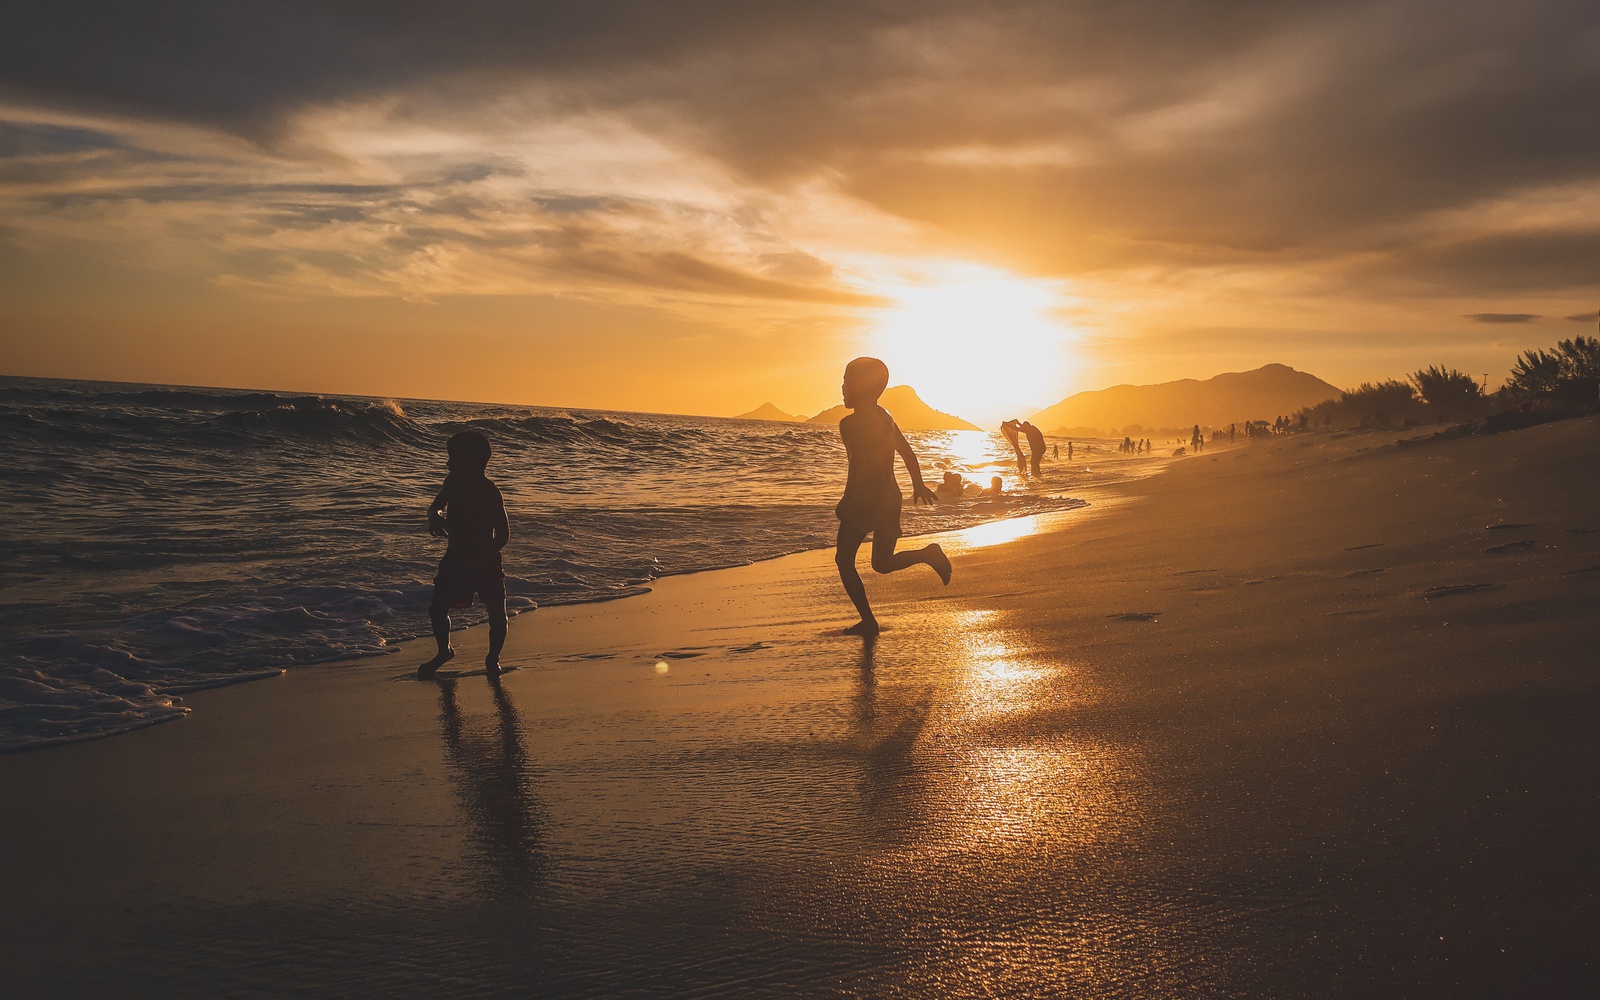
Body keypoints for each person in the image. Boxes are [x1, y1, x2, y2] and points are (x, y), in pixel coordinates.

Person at [833, 357, 952, 635]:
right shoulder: (885, 417)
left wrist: (846, 501)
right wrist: (918, 484)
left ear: (860, 386)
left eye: (846, 381)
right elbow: (907, 452)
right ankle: (928, 554)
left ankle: (869, 621)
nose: (842, 387)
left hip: (865, 500)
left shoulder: (849, 424)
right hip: (889, 498)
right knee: (882, 563)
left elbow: (860, 465)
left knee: (844, 560)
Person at [420, 430, 510, 679]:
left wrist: (481, 558)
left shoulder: (490, 491)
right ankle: (444, 651)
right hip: (456, 557)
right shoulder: (452, 483)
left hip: (486, 562)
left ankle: (493, 658)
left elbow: (503, 535)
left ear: (472, 461)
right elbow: (436, 506)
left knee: (497, 616)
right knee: (437, 608)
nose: (448, 463)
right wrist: (433, 516)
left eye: (453, 458)